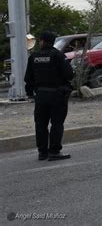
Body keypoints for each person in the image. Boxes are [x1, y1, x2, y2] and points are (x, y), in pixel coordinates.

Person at [24, 31, 74, 161]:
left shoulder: (34, 57)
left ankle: (42, 152)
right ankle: (54, 151)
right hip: (57, 95)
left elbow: (28, 78)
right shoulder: (58, 55)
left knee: (40, 124)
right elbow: (69, 74)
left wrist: (30, 93)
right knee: (57, 123)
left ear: (42, 41)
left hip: (40, 95)